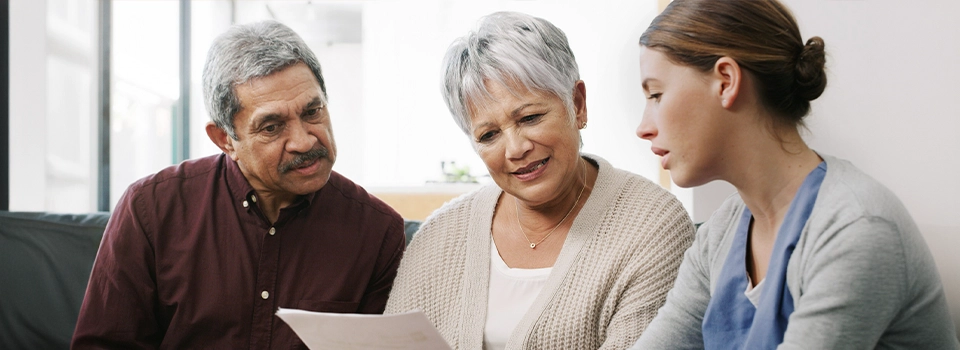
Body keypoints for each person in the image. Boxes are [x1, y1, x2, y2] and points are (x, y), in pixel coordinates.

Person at [630, 1, 960, 349]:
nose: (643, 128)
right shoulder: (721, 233)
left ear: (726, 81)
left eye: (656, 94)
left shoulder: (857, 228)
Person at [71, 21, 406, 348]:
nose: (304, 142)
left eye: (312, 112)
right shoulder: (151, 209)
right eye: (272, 127)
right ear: (224, 139)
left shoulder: (378, 232)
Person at [385, 11, 695, 349]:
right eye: (489, 135)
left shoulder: (652, 225)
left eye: (530, 117)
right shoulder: (438, 237)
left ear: (577, 104)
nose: (516, 149)